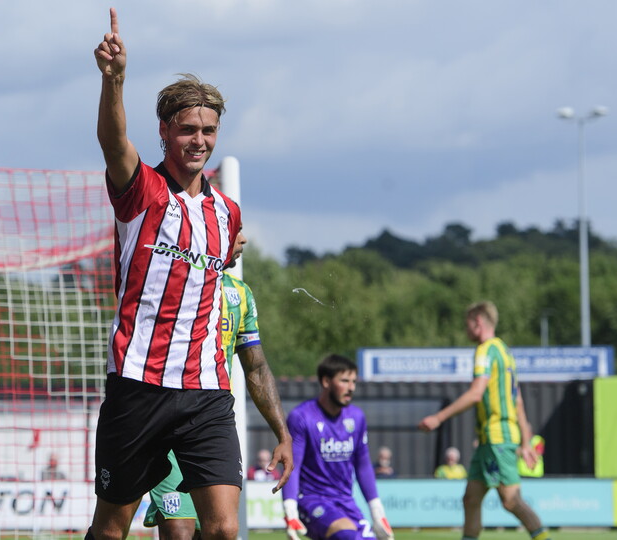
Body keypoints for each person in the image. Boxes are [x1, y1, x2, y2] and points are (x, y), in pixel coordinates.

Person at [89, 9, 292, 540]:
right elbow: (113, 142)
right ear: (164, 131)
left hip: (206, 392)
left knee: (224, 530)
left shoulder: (228, 215)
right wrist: (114, 81)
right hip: (139, 385)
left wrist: (281, 427)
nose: (199, 140)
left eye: (208, 130)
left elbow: (214, 280)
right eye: (187, 130)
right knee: (111, 529)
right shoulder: (142, 191)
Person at [143, 231, 290, 540]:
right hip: (161, 418)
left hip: (210, 422)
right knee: (179, 532)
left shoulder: (240, 294)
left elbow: (257, 367)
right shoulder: (168, 282)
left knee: (221, 531)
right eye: (236, 231)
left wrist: (283, 434)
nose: (245, 239)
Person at [418, 301, 550, 540]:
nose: (466, 329)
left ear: (478, 322)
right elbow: (517, 400)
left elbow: (476, 392)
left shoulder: (485, 350)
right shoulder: (505, 352)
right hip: (490, 439)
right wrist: (526, 441)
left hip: (497, 437)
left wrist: (439, 417)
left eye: (467, 324)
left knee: (511, 501)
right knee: (471, 499)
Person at [282, 354, 394, 540]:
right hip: (311, 500)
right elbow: (292, 466)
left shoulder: (357, 417)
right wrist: (290, 508)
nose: (351, 388)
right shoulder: (301, 416)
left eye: (354, 381)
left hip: (345, 503)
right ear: (326, 381)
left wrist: (376, 510)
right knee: (346, 534)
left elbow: (363, 465)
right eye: (344, 381)